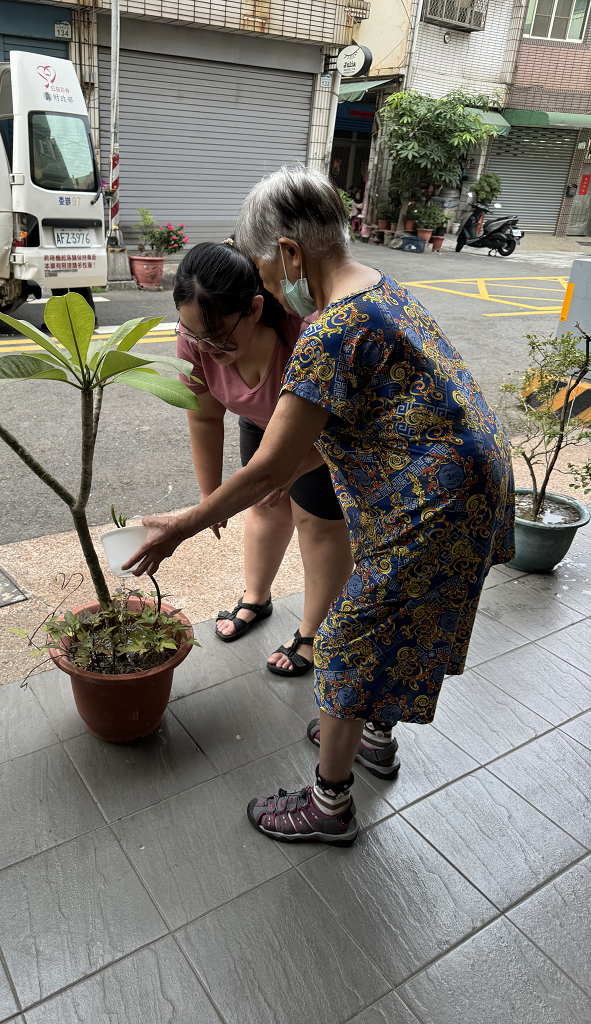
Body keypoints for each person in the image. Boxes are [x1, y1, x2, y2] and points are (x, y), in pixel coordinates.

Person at [124, 166, 515, 846]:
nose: (264, 286)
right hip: (468, 481)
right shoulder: (379, 290)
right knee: (394, 622)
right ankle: (371, 737)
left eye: (263, 269)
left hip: (434, 500)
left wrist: (182, 526)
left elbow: (273, 464)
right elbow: (296, 450)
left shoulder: (329, 331)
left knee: (347, 639)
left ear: (290, 254)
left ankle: (329, 805)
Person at [173, 241, 353, 675]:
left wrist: (290, 469)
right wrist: (209, 495)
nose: (204, 349)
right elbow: (204, 418)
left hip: (326, 430)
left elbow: (340, 425)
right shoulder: (193, 339)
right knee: (264, 506)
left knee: (318, 524)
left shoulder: (304, 331)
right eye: (193, 335)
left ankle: (313, 632)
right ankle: (257, 596)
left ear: (254, 309)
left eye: (216, 338)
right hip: (260, 421)